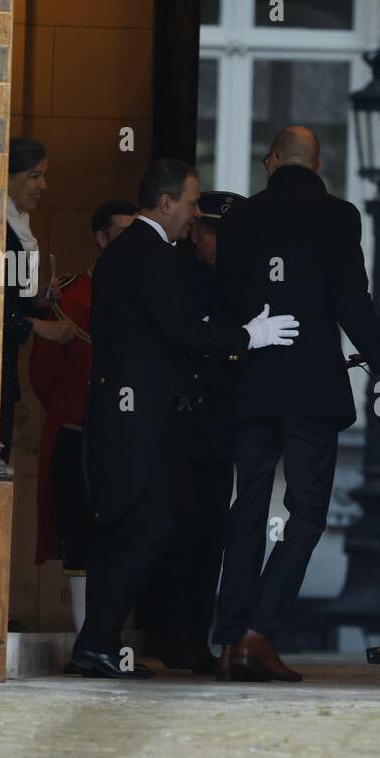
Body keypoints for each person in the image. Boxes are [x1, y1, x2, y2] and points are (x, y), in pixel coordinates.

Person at [71, 158, 300, 679]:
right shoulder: (150, 253)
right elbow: (183, 332)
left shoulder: (139, 252)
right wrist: (249, 336)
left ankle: (97, 642)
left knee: (140, 525)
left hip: (137, 413)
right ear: (167, 202)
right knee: (145, 525)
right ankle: (97, 642)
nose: (194, 213)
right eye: (192, 202)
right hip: (139, 418)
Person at [213, 126, 380, 683]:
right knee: (305, 513)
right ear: (317, 161)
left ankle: (231, 638)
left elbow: (225, 299)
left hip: (252, 380)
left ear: (274, 161)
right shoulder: (338, 215)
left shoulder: (239, 217)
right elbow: (349, 298)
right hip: (309, 386)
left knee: (247, 508)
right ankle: (259, 632)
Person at [141, 190, 245, 674]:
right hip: (176, 422)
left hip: (219, 423)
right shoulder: (175, 272)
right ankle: (164, 633)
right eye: (214, 235)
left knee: (209, 535)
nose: (219, 245)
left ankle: (194, 636)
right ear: (196, 230)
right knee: (171, 527)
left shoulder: (237, 281)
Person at [27, 200, 138, 641]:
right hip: (79, 431)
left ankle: (111, 639)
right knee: (79, 539)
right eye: (124, 234)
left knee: (127, 537)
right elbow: (45, 374)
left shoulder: (146, 290)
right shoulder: (70, 294)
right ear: (101, 238)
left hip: (132, 437)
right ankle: (87, 640)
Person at [2, 136, 76, 473]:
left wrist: (39, 301)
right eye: (34, 175)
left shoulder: (20, 228)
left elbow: (15, 301)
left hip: (8, 370)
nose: (43, 185)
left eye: (44, 175)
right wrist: (40, 326)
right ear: (6, 175)